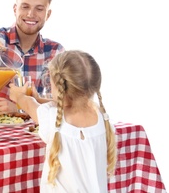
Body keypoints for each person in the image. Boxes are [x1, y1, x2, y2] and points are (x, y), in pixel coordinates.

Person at [9, 50, 117, 192]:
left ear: (58, 86)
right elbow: (64, 104)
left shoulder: (54, 120)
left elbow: (29, 104)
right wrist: (38, 99)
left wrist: (19, 96)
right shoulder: (102, 118)